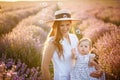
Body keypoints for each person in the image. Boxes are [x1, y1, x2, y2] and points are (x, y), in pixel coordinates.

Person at [41, 9, 102, 80]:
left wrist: (97, 68)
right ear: (57, 26)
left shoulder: (74, 37)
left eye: (67, 25)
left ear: (70, 24)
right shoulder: (52, 41)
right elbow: (44, 66)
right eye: (62, 25)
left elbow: (82, 56)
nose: (65, 28)